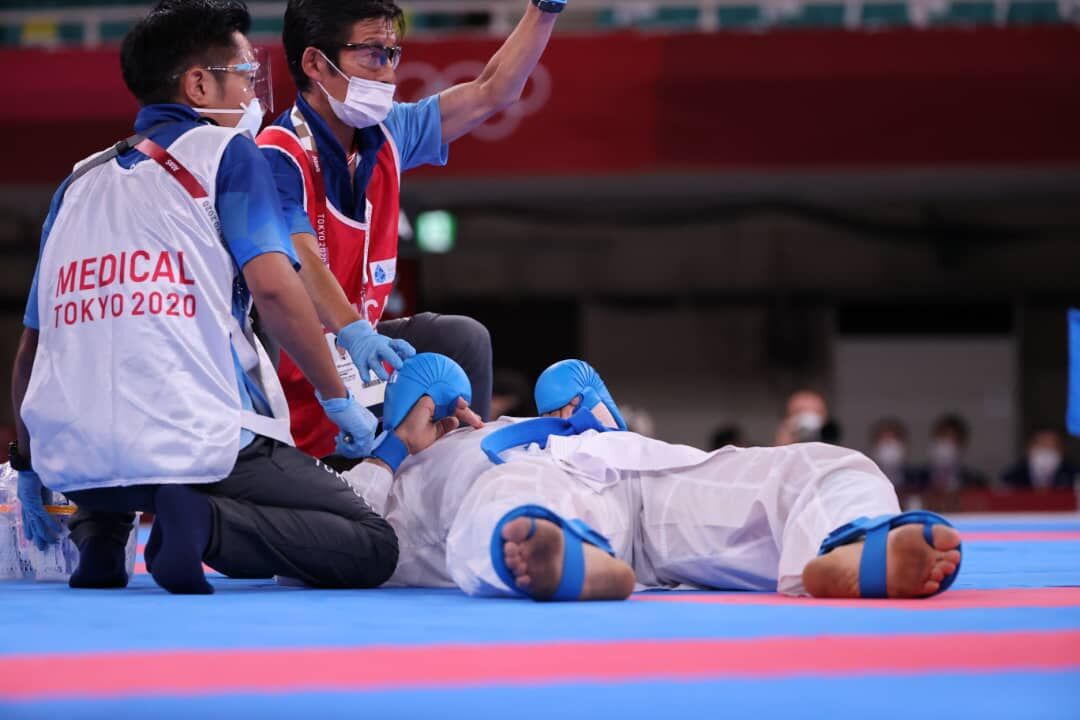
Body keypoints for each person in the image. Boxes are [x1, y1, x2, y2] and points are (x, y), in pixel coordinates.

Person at [12, 0, 396, 594]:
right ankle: (204, 523)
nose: (252, 95)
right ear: (198, 83)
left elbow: (35, 341)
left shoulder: (76, 181)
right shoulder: (226, 154)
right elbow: (273, 285)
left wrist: (31, 464)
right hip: (194, 447)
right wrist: (336, 395)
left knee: (118, 349)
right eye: (244, 76)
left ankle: (101, 536)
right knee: (371, 544)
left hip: (78, 463)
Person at [342, 357, 963, 602]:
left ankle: (850, 544)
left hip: (645, 475)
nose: (455, 416)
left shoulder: (522, 419)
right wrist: (392, 451)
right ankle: (567, 560)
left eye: (455, 407)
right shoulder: (395, 479)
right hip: (550, 495)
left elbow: (612, 435)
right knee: (511, 505)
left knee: (822, 464)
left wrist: (593, 418)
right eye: (436, 412)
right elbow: (344, 536)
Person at [257, 0, 571, 457]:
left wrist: (544, 9)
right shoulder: (276, 153)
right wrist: (352, 331)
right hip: (296, 359)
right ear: (315, 63)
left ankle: (463, 470)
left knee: (460, 338)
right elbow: (298, 253)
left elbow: (491, 90)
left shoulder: (390, 132)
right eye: (372, 54)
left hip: (358, 349)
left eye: (392, 53)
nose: (388, 74)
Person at [913, 413, 989, 492]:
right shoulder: (915, 479)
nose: (945, 444)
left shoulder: (975, 481)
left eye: (951, 439)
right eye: (941, 437)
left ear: (962, 444)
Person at [1001, 429, 1077, 491]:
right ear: (1028, 449)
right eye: (1042, 445)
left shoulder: (1074, 474)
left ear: (1062, 451)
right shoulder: (1012, 476)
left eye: (1052, 447)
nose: (1046, 451)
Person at [774, 389, 841, 445]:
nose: (809, 417)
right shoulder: (776, 455)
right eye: (799, 412)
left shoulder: (843, 458)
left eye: (816, 412)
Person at [868, 417, 919, 492]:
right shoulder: (864, 478)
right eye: (884, 441)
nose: (889, 446)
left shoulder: (918, 480)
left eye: (893, 440)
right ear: (873, 446)